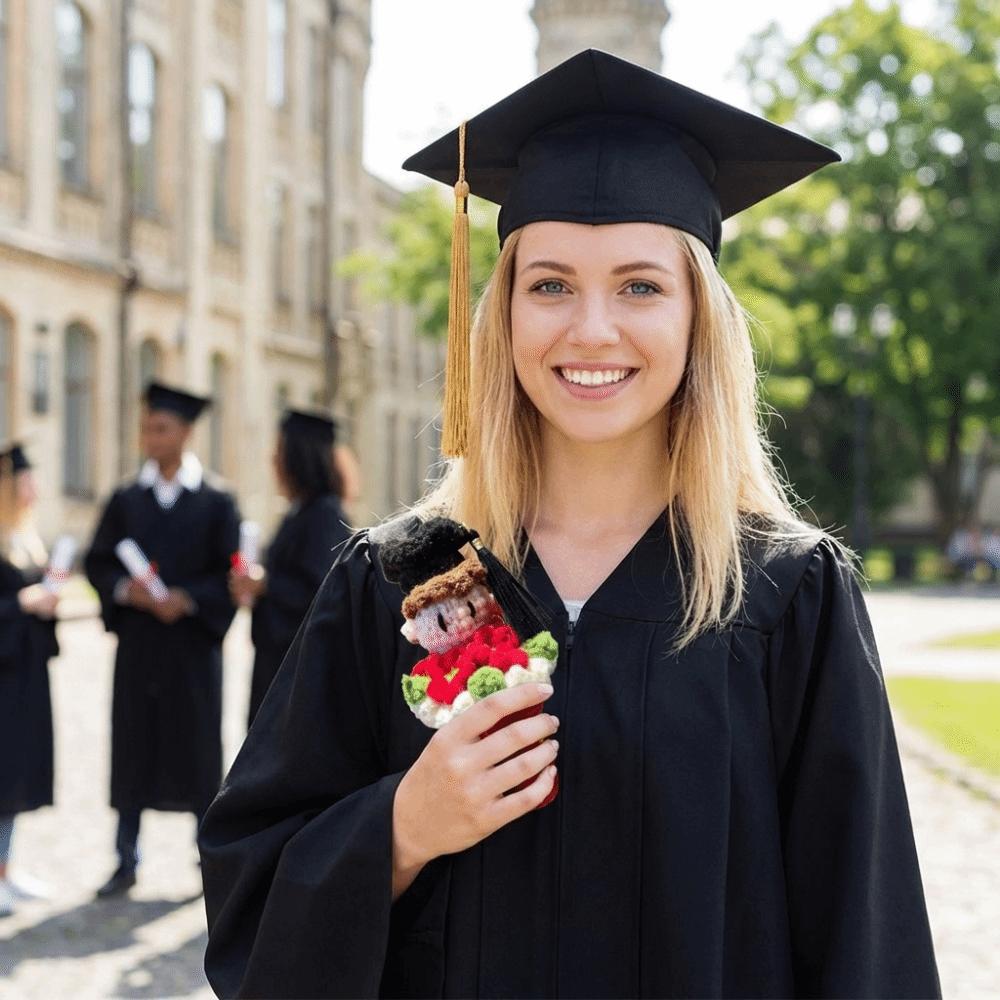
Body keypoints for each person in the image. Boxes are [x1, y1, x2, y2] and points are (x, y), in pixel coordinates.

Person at [199, 51, 940, 998]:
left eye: (640, 286)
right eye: (549, 285)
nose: (592, 329)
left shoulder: (784, 598)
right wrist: (401, 829)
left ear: (697, 319)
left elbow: (865, 950)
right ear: (500, 313)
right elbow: (247, 896)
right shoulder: (407, 580)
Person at [85, 382, 240, 898]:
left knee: (197, 751)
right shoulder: (126, 499)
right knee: (133, 746)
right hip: (140, 649)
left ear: (185, 433)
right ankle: (125, 858)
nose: (150, 437)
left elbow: (229, 572)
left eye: (161, 428)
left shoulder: (217, 501)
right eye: (147, 428)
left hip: (193, 652)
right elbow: (98, 560)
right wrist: (126, 592)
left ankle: (207, 857)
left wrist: (188, 598)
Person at [230, 409, 353, 726]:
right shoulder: (300, 511)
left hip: (301, 675)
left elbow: (323, 594)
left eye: (280, 451)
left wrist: (266, 585)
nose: (274, 460)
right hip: (280, 665)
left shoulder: (324, 515)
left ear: (298, 459)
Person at [0, 444, 58, 917]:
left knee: (14, 778)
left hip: (22, 677)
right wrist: (23, 604)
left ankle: (5, 870)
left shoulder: (23, 538)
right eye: (26, 480)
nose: (35, 488)